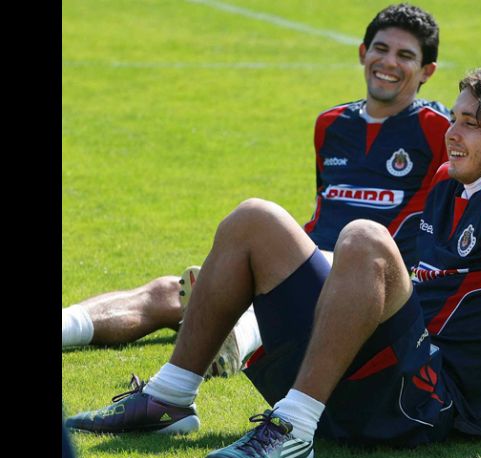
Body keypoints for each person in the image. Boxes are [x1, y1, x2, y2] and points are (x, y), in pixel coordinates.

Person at [67, 67, 481, 458]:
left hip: (432, 405)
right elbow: (358, 281)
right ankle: (171, 398)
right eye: (455, 117)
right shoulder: (450, 187)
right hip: (379, 379)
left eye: (475, 125)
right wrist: (251, 314)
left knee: (363, 235)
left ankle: (293, 428)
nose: (454, 132)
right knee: (255, 219)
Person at [65, 3, 450, 432]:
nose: (389, 63)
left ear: (427, 71)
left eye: (405, 56)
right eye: (381, 49)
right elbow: (325, 204)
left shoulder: (441, 130)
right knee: (169, 292)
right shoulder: (331, 123)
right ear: (362, 52)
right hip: (307, 261)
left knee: (250, 240)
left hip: (362, 285)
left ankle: (232, 344)